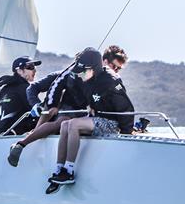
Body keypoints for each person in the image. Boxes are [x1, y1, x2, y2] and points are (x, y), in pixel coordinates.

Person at [46, 47, 135, 194]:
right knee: (65, 125)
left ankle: (69, 171)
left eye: (83, 71)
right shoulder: (86, 78)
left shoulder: (110, 80)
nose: (80, 74)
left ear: (95, 68)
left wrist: (127, 133)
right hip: (97, 118)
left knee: (73, 124)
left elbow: (126, 107)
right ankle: (58, 170)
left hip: (112, 123)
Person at [7, 51, 88, 167]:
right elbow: (33, 88)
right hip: (62, 116)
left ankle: (26, 141)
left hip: (78, 118)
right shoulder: (61, 75)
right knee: (60, 118)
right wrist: (35, 104)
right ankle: (28, 138)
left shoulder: (97, 78)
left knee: (64, 121)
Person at [0, 56, 41, 136]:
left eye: (34, 67)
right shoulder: (26, 89)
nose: (34, 70)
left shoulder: (3, 89)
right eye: (30, 67)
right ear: (19, 71)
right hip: (11, 137)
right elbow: (39, 110)